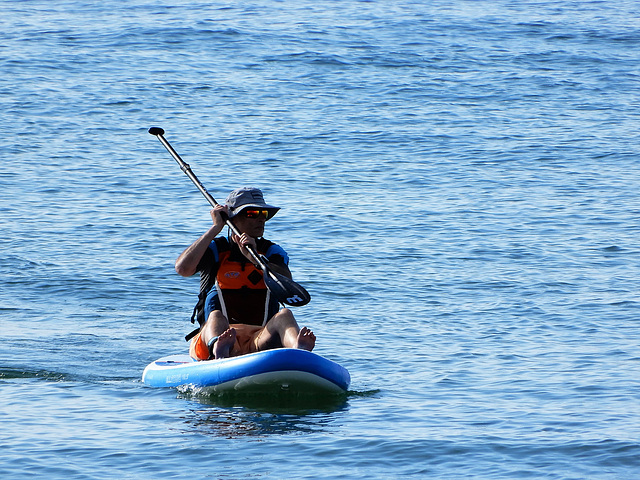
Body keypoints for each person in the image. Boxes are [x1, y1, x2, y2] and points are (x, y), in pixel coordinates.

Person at [175, 187, 316, 361]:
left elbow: (286, 280)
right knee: (215, 315)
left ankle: (298, 350)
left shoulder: (271, 251)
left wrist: (255, 259)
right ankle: (219, 349)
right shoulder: (216, 249)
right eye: (252, 213)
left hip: (258, 340)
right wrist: (215, 228)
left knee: (285, 315)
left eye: (263, 213)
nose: (260, 219)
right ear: (232, 218)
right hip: (218, 337)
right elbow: (183, 269)